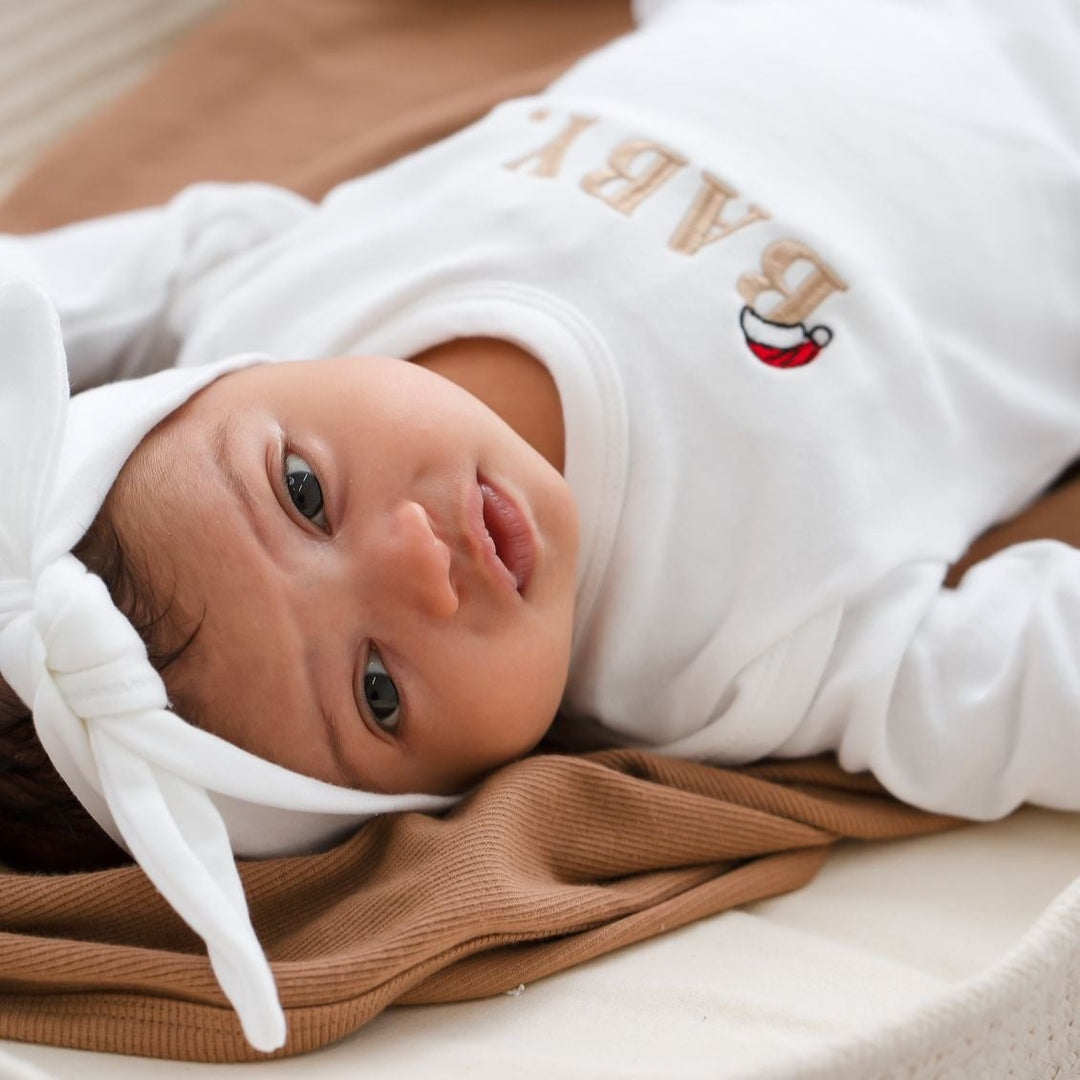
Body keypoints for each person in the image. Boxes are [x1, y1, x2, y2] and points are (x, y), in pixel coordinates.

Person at [2, 0, 1080, 1052]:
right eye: (378, 691)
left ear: (211, 385)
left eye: (303, 492)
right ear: (431, 797)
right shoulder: (729, 657)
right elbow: (1031, 680)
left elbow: (55, 292)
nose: (421, 564)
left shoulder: (265, 303)